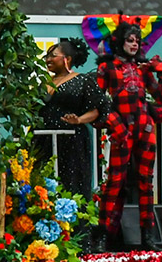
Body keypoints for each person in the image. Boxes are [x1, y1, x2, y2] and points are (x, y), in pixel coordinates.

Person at [95, 21, 162, 250]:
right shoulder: (107, 67)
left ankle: (148, 237)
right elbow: (97, 100)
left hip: (145, 128)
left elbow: (161, 97)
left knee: (146, 183)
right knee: (115, 181)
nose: (134, 44)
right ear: (120, 41)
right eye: (130, 40)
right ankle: (103, 235)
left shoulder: (143, 68)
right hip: (123, 131)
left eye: (137, 41)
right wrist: (114, 123)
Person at [34, 39, 109, 199]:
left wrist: (79, 120)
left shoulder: (83, 81)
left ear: (67, 59)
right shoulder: (44, 83)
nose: (48, 59)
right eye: (47, 56)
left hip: (71, 142)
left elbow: (97, 109)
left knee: (70, 185)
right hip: (43, 140)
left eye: (53, 55)